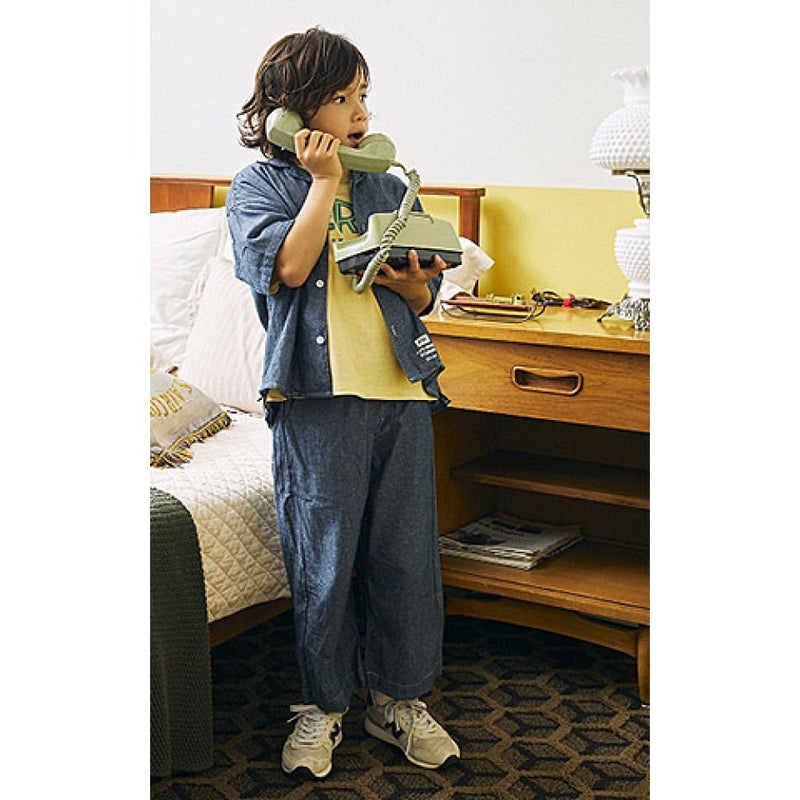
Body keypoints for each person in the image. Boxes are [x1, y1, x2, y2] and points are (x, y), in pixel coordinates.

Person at [226, 27, 460, 780]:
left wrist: (413, 285)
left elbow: (422, 294)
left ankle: (399, 701)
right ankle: (322, 706)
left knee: (405, 557)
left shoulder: (388, 186)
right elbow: (290, 270)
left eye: (364, 96)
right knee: (324, 561)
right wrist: (323, 183)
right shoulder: (258, 188)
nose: (360, 113)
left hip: (400, 392)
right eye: (341, 97)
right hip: (317, 397)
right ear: (293, 109)